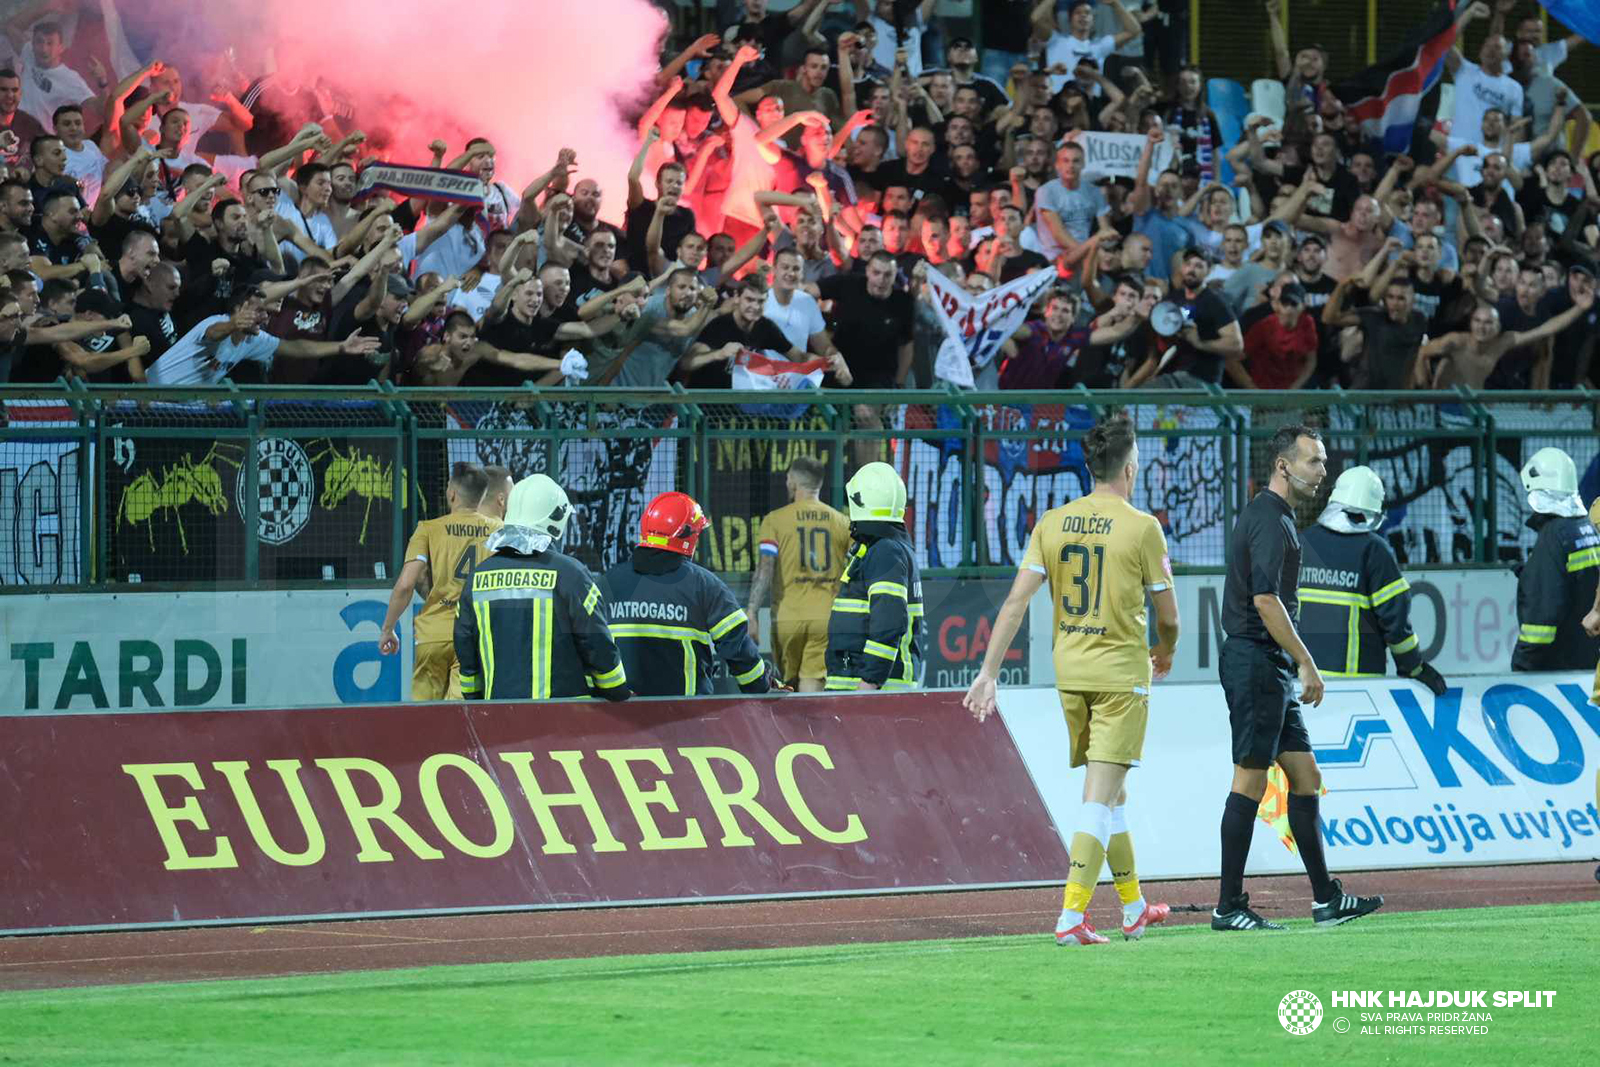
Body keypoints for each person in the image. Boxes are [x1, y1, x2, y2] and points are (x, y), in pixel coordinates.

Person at [964, 416, 1179, 946]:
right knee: (1098, 799)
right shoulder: (1142, 526)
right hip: (1120, 678)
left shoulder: (1052, 523)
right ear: (1131, 468)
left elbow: (1016, 602)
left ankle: (1132, 908)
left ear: (1089, 468)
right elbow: (1169, 617)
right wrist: (1167, 650)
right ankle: (1071, 915)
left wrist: (988, 673)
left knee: (1115, 793)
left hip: (1071, 675)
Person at [1214, 425, 1383, 931]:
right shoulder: (1268, 518)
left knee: (1306, 776)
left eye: (1325, 462)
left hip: (1270, 667)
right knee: (1249, 779)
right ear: (1283, 466)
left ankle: (1326, 900)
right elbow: (1265, 600)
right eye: (1314, 461)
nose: (1323, 471)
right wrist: (1306, 661)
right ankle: (1228, 907)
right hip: (1256, 663)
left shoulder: (1279, 517)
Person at [455, 474, 630, 702]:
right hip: (565, 722)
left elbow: (465, 648)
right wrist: (617, 691)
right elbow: (597, 644)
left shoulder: (478, 577)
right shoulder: (572, 574)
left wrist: (477, 699)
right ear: (556, 519)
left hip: (499, 720)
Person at [603, 490, 776, 698]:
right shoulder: (705, 585)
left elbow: (590, 648)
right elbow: (738, 647)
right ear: (689, 537)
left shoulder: (608, 583)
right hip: (687, 719)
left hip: (619, 719)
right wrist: (763, 688)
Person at [1298, 466, 1448, 693]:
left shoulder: (1301, 543)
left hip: (1303, 683)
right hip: (1358, 686)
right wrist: (1414, 668)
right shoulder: (1374, 551)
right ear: (1373, 511)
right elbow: (1395, 623)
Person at [378, 463, 509, 700]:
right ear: (481, 498)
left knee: (424, 721)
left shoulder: (428, 529)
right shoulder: (500, 531)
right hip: (473, 635)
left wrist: (388, 628)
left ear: (451, 494)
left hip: (433, 635)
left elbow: (406, 584)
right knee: (461, 719)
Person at [749, 456, 851, 692]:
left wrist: (752, 611)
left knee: (787, 687)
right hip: (826, 619)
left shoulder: (775, 521)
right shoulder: (841, 522)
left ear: (793, 481)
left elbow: (765, 568)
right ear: (819, 484)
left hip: (787, 618)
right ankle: (810, 730)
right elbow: (857, 565)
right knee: (812, 686)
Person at [825, 461, 923, 691]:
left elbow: (888, 623)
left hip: (871, 691)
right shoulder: (889, 549)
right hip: (871, 689)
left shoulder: (885, 551)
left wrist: (869, 682)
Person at [1511, 448, 1600, 672]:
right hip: (1589, 665)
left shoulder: (1553, 537)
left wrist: (1522, 667)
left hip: (1559, 671)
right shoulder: (1589, 527)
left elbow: (1541, 620)